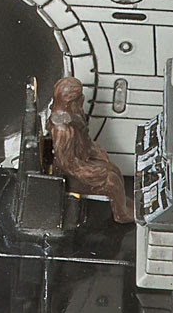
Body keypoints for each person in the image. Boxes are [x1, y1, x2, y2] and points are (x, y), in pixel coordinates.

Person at [46, 76, 135, 223]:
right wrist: (91, 172)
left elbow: (85, 141)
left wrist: (95, 151)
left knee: (114, 170)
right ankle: (121, 215)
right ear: (71, 101)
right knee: (110, 181)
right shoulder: (62, 130)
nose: (82, 99)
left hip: (82, 160)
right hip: (69, 175)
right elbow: (67, 164)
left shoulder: (72, 116)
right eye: (79, 97)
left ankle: (122, 204)